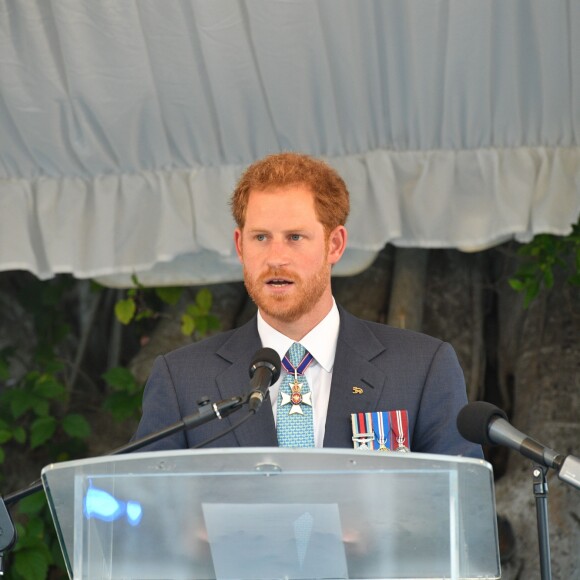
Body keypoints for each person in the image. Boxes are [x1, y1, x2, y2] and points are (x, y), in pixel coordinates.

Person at [134, 152, 482, 458]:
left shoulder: (421, 368)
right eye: (261, 238)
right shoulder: (182, 379)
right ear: (240, 246)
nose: (276, 259)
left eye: (295, 238)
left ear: (335, 245)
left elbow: (460, 509)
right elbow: (148, 508)